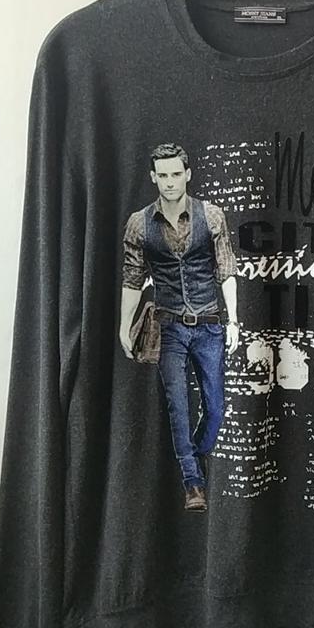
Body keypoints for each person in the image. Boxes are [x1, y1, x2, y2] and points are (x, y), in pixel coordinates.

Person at [119, 143, 239, 511]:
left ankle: (196, 453)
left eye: (176, 174)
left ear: (187, 174)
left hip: (209, 324)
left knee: (215, 407)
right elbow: (132, 279)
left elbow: (226, 271)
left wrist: (233, 320)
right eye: (163, 175)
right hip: (168, 326)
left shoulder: (212, 216)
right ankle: (192, 483)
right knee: (178, 406)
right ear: (153, 177)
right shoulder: (140, 223)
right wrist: (124, 326)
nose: (170, 182)